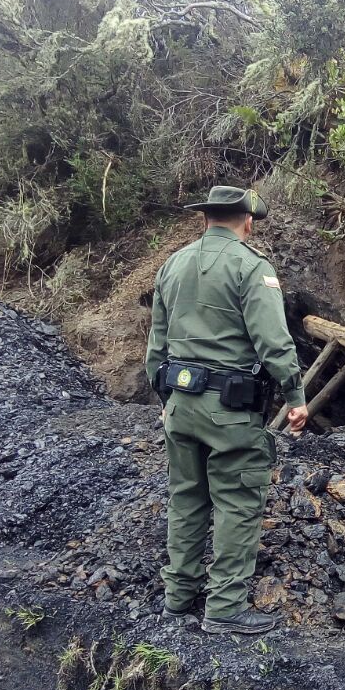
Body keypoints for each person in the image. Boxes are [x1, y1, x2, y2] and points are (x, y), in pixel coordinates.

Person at [145, 186, 309, 637]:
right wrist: (295, 396)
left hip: (180, 403)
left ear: (206, 218)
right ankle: (225, 608)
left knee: (186, 497)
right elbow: (274, 343)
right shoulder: (251, 267)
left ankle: (178, 597)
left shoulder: (171, 266)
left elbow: (154, 351)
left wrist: (168, 402)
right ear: (247, 221)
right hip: (229, 411)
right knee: (237, 502)